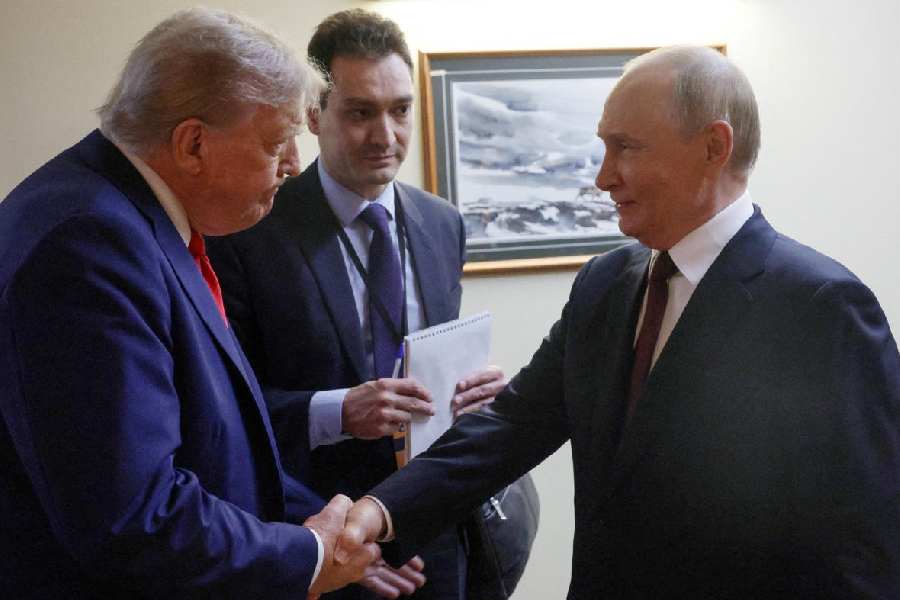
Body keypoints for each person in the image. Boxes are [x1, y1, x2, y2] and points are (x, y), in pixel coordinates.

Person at [337, 45, 900, 598]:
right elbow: (514, 424)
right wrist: (380, 510)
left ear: (713, 146)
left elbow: (862, 549)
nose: (603, 177)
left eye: (625, 147)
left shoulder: (820, 308)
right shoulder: (605, 283)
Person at [0, 8, 380, 599]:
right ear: (193, 144)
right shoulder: (89, 246)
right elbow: (134, 517)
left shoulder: (124, 218)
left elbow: (214, 451)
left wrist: (330, 526)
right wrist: (306, 554)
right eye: (276, 142)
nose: (293, 164)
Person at [206, 9, 505, 599]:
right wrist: (337, 411)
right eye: (361, 112)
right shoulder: (247, 232)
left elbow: (434, 367)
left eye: (400, 110)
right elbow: (225, 413)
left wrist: (475, 394)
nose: (385, 136)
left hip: (434, 529)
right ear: (314, 116)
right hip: (315, 536)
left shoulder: (443, 224)